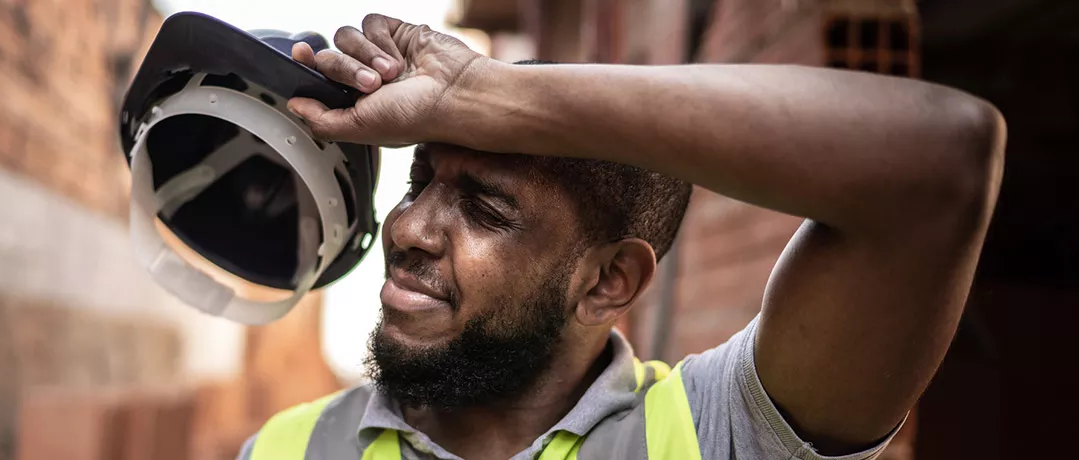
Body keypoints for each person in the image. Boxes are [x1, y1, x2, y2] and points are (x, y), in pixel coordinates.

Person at [237, 13, 1005, 460]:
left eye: (486, 209)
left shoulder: (709, 434)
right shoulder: (286, 448)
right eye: (420, 182)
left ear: (608, 282)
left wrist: (490, 93)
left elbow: (943, 160)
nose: (407, 228)